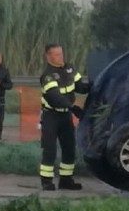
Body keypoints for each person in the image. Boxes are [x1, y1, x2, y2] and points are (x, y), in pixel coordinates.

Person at [39, 43, 90, 191]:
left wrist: (93, 85)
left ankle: (66, 180)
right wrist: (73, 107)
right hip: (51, 116)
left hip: (65, 116)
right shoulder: (47, 75)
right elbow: (54, 97)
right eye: (57, 54)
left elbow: (80, 86)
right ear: (48, 56)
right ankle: (47, 181)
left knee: (69, 148)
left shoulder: (70, 68)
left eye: (61, 53)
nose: (61, 57)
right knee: (50, 149)